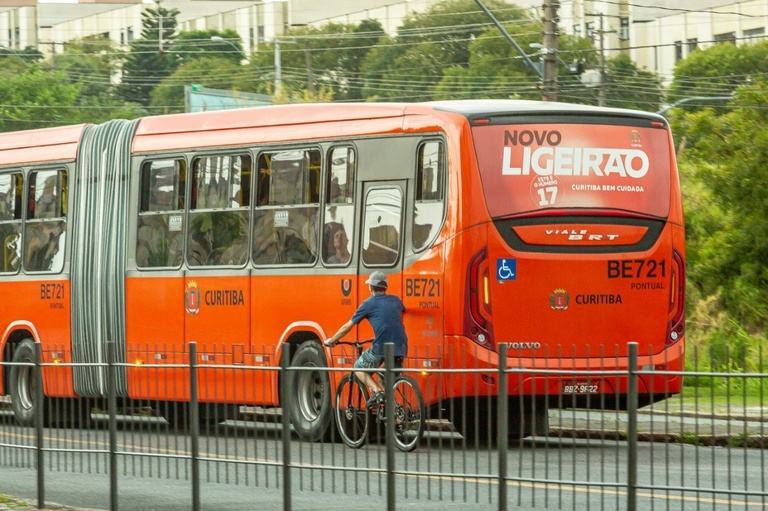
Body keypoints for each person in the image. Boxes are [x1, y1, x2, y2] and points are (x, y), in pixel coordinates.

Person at [324, 270, 407, 407]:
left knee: (358, 368)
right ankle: (396, 418)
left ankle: (376, 391)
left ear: (370, 287)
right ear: (385, 287)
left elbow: (347, 327)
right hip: (401, 346)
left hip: (381, 347)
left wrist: (331, 341)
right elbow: (394, 316)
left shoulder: (368, 304)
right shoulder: (396, 300)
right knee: (383, 379)